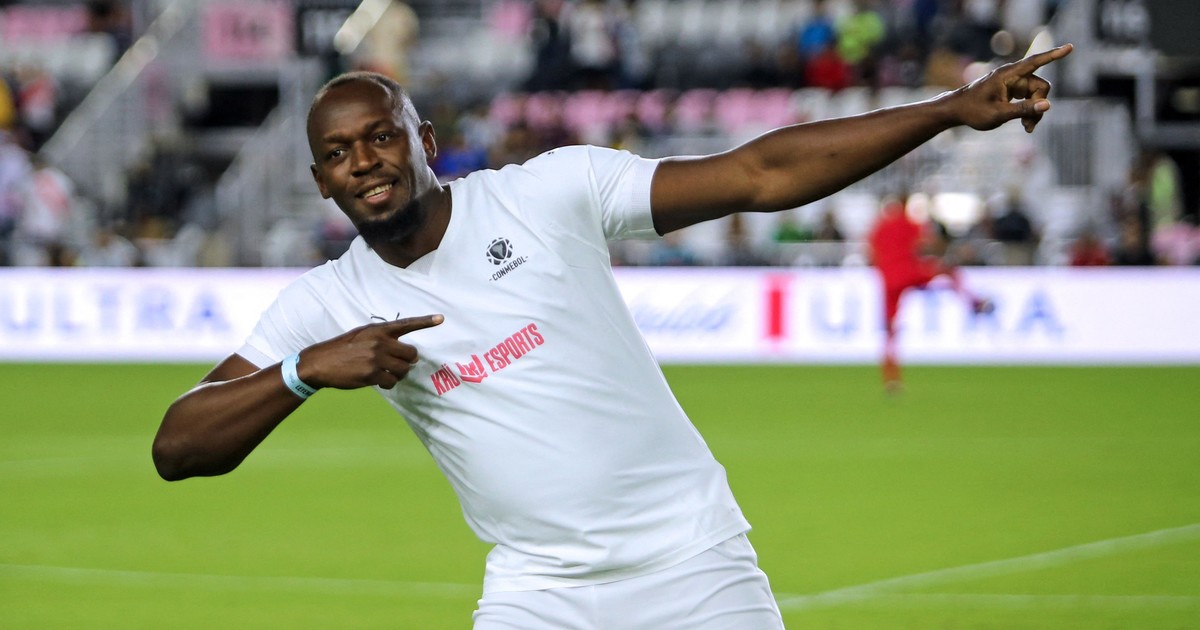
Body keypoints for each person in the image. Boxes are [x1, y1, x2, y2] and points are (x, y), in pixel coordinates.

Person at [152, 44, 1073, 628]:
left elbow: (759, 173)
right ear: (321, 183)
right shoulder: (328, 301)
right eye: (339, 155)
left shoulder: (547, 192)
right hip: (537, 593)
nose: (365, 163)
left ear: (424, 140)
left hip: (694, 564)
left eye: (380, 138)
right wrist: (304, 371)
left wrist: (947, 110)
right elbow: (177, 447)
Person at [868, 196, 993, 394]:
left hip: (888, 279)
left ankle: (891, 379)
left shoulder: (879, 227)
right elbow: (928, 244)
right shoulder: (909, 223)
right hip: (910, 272)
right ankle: (974, 302)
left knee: (890, 329)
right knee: (948, 271)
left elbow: (871, 252)